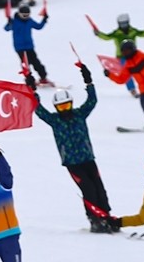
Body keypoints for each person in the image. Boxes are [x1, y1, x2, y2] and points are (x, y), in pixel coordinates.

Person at [27, 64, 113, 232]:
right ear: (56, 108)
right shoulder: (55, 120)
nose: (64, 110)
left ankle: (107, 216)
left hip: (88, 158)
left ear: (71, 104)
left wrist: (89, 82)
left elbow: (92, 101)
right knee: (87, 188)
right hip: (72, 163)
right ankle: (94, 218)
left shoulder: (80, 115)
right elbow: (38, 110)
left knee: (99, 187)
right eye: (61, 107)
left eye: (67, 106)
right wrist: (32, 90)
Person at [93, 12, 144, 97]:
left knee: (142, 71)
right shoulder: (116, 34)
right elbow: (106, 37)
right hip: (122, 57)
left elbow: (143, 34)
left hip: (134, 56)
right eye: (122, 24)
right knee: (127, 74)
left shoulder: (133, 31)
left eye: (125, 24)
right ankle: (132, 90)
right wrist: (98, 34)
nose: (123, 26)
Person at [5, 1, 52, 87]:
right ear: (19, 14)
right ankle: (30, 81)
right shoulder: (14, 22)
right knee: (26, 65)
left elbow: (38, 27)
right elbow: (6, 28)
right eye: (24, 16)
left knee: (36, 62)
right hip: (20, 48)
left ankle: (43, 77)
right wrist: (9, 23)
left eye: (27, 15)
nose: (26, 17)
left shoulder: (29, 21)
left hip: (29, 46)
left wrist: (44, 19)